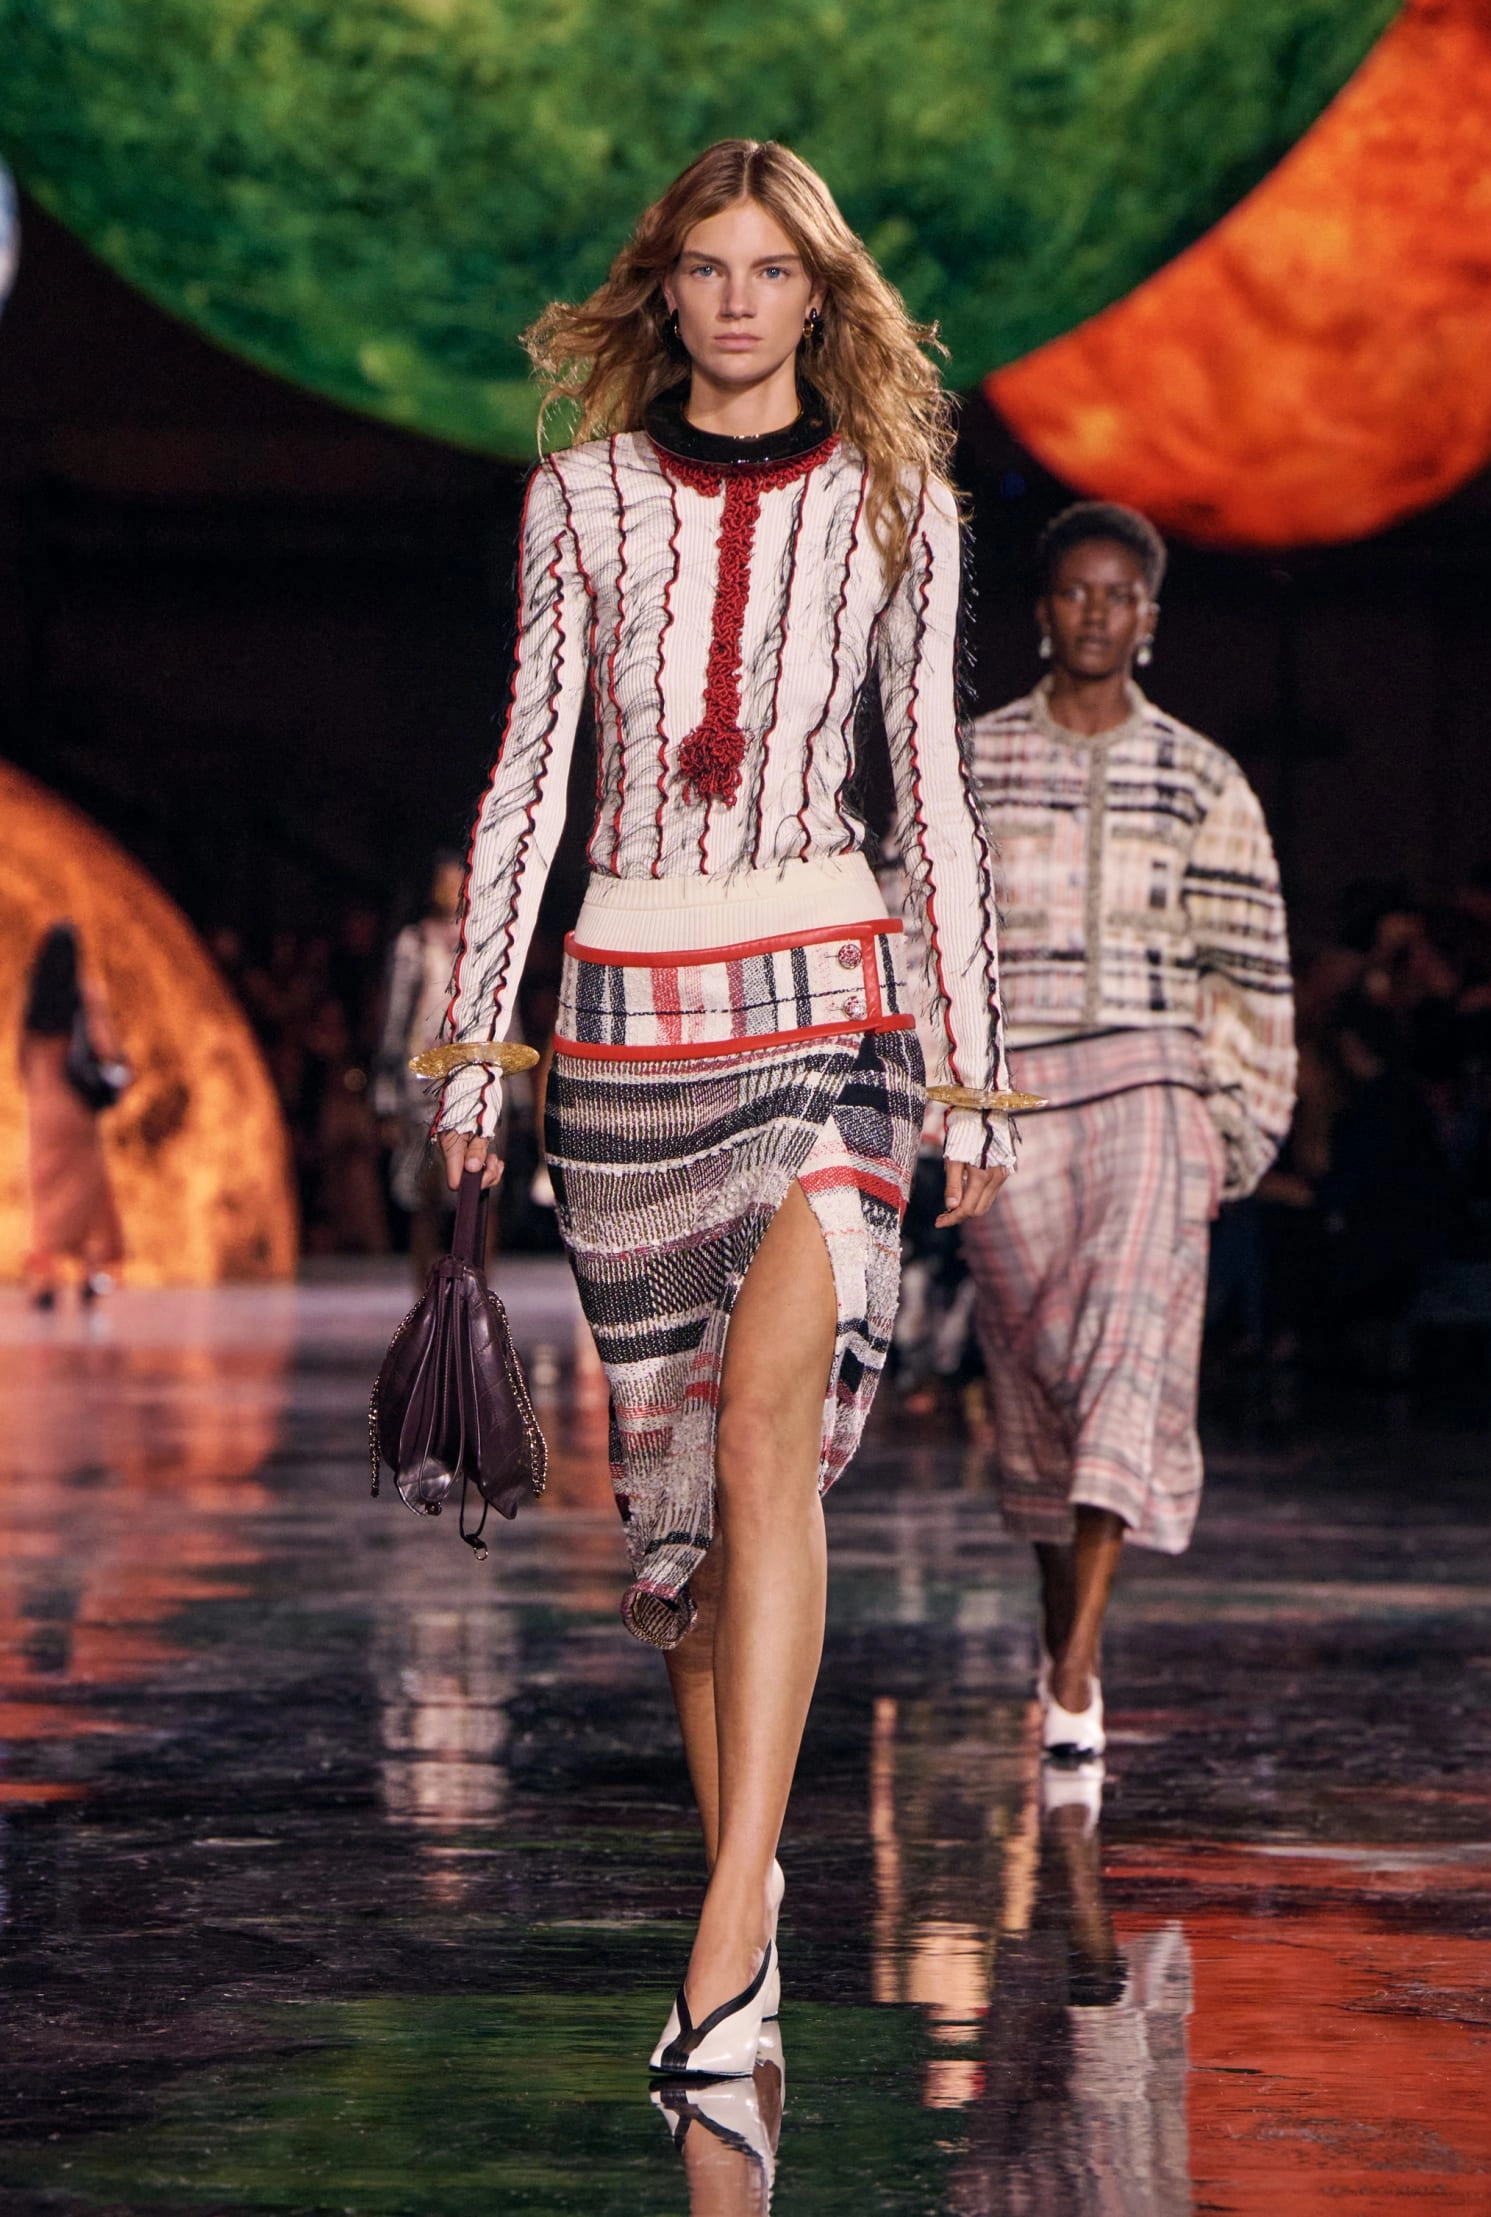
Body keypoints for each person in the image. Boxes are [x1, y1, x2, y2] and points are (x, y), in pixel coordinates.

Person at [434, 139, 1018, 2077]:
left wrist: (971, 1063)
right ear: (665, 287)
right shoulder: (580, 501)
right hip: (625, 1028)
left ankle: (723, 1939)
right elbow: (528, 777)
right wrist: (475, 1048)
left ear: (820, 295)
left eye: (775, 268)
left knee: (767, 1443)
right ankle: (746, 1920)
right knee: (682, 1504)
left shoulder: (902, 505)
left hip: (829, 1009)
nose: (741, 298)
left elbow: (932, 792)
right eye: (710, 266)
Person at [963, 501, 1295, 1763]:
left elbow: (1248, 965)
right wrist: (932, 1098)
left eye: (1120, 597)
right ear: (1042, 609)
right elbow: (922, 934)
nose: (1096, 614)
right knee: (1040, 1369)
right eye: (1075, 592)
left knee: (1127, 1355)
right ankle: (1065, 1624)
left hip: (1155, 1089)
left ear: (1149, 619)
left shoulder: (1202, 778)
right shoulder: (972, 763)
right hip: (1011, 1108)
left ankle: (1077, 1666)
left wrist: (1233, 1128)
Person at [19, 921, 128, 1308]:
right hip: (76, 1108)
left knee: (47, 1192)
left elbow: (23, 1057)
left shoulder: (34, 997)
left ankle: (45, 1275)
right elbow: (105, 1046)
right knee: (86, 1193)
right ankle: (90, 1271)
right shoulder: (84, 995)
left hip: (43, 1107)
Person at [372, 851, 466, 1280]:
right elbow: (395, 1022)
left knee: (476, 1194)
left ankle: (475, 1293)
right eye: (444, 881)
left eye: (458, 880)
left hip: (470, 1079)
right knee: (426, 1195)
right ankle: (425, 1293)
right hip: (422, 1084)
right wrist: (386, 1097)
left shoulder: (478, 943)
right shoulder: (413, 944)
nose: (451, 889)